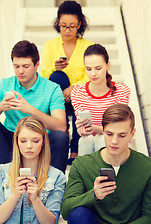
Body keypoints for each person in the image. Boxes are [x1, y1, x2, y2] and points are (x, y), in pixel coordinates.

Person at [61, 103, 151, 224]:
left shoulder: (149, 167)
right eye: (109, 134)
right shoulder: (82, 164)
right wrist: (94, 195)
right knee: (78, 214)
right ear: (103, 131)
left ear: (132, 134)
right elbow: (66, 211)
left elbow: (150, 218)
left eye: (122, 135)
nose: (114, 141)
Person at [0, 40, 69, 173]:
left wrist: (29, 110)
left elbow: (61, 126)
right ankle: (5, 177)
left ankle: (54, 184)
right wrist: (2, 107)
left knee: (60, 137)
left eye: (25, 66)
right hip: (13, 139)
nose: (20, 71)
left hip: (41, 139)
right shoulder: (4, 84)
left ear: (37, 64)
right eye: (16, 66)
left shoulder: (52, 88)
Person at [42, 0, 94, 163]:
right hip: (59, 98)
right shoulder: (50, 45)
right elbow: (44, 75)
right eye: (63, 25)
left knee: (82, 94)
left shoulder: (88, 46)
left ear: (79, 24)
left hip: (79, 96)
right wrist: (53, 67)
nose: (67, 30)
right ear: (58, 23)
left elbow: (92, 74)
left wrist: (73, 88)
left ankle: (75, 147)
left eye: (72, 26)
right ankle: (63, 130)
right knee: (57, 76)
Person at [0, 116, 66, 224]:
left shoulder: (57, 176)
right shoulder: (2, 172)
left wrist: (35, 199)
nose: (29, 146)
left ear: (43, 143)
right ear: (17, 142)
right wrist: (15, 195)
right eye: (23, 141)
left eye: (35, 141)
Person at [71, 44, 130, 156]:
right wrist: (81, 128)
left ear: (108, 65)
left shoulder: (121, 90)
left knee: (101, 138)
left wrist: (95, 129)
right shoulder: (78, 92)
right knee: (85, 140)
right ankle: (86, 173)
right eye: (88, 69)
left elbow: (117, 127)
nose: (93, 74)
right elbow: (81, 124)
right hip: (89, 141)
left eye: (98, 68)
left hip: (116, 140)